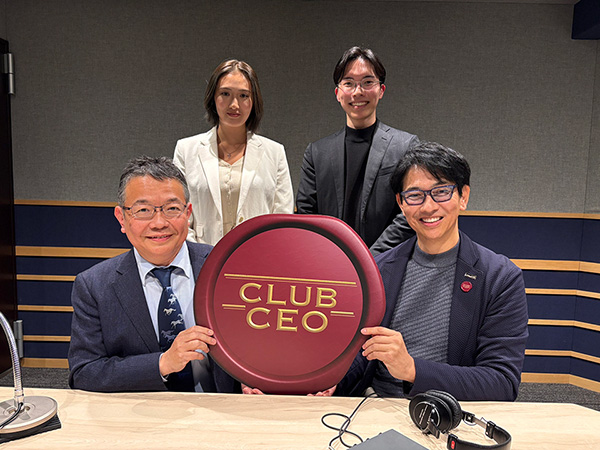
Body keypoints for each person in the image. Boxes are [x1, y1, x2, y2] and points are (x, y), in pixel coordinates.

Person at [336, 141, 529, 401]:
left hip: (451, 412)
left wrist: (412, 370)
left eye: (441, 192)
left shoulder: (500, 278)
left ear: (463, 197)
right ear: (401, 203)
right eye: (415, 195)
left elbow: (502, 383)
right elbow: (361, 354)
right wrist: (331, 383)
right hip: (376, 407)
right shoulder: (377, 270)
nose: (428, 207)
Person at [68, 156, 239, 393]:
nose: (159, 223)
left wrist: (254, 382)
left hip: (222, 409)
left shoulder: (227, 268)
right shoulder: (94, 286)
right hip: (141, 411)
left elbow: (257, 347)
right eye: (143, 210)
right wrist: (163, 363)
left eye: (172, 209)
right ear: (121, 218)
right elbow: (84, 373)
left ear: (188, 213)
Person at [296, 46, 418, 255]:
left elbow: (409, 210)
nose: (358, 92)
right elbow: (306, 215)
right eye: (349, 83)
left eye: (367, 82)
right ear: (338, 93)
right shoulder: (317, 153)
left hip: (387, 263)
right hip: (330, 264)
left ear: (381, 90)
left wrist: (369, 259)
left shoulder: (405, 146)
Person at [174, 59, 294, 245]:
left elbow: (283, 219)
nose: (234, 105)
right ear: (213, 98)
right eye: (225, 94)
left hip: (258, 257)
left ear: (254, 101)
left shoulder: (274, 152)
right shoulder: (186, 150)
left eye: (243, 96)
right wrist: (197, 255)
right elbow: (178, 215)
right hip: (202, 257)